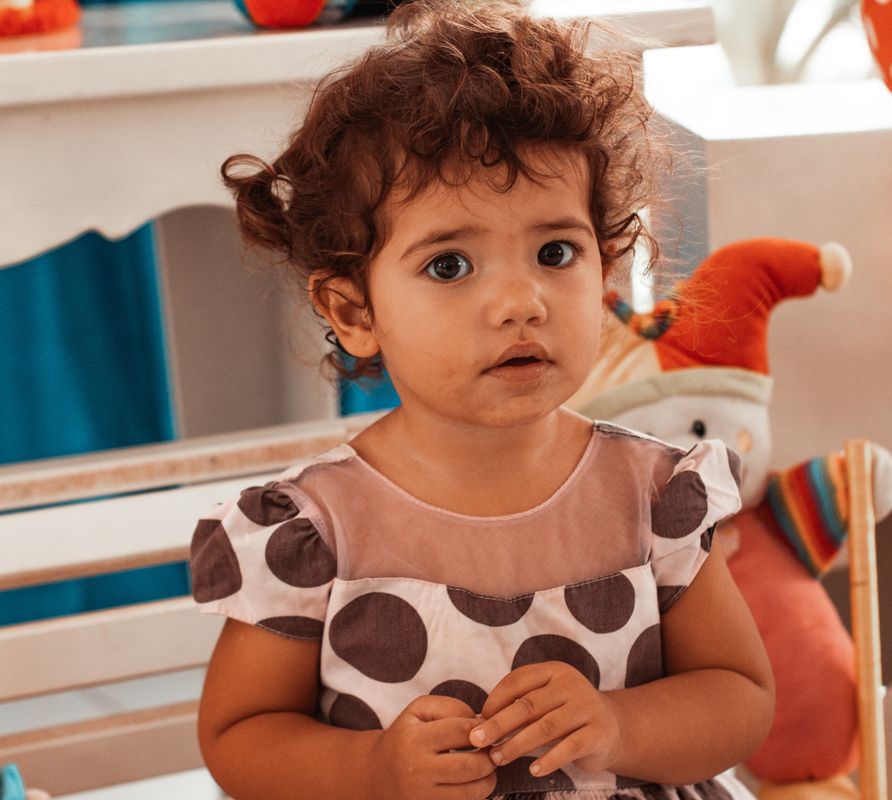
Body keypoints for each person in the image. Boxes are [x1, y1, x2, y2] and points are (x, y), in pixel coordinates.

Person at [189, 2, 774, 798]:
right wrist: (371, 769)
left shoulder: (655, 497)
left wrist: (620, 725)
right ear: (355, 312)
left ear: (605, 271)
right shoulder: (312, 533)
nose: (520, 303)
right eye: (449, 266)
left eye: (555, 252)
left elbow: (740, 696)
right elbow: (239, 737)